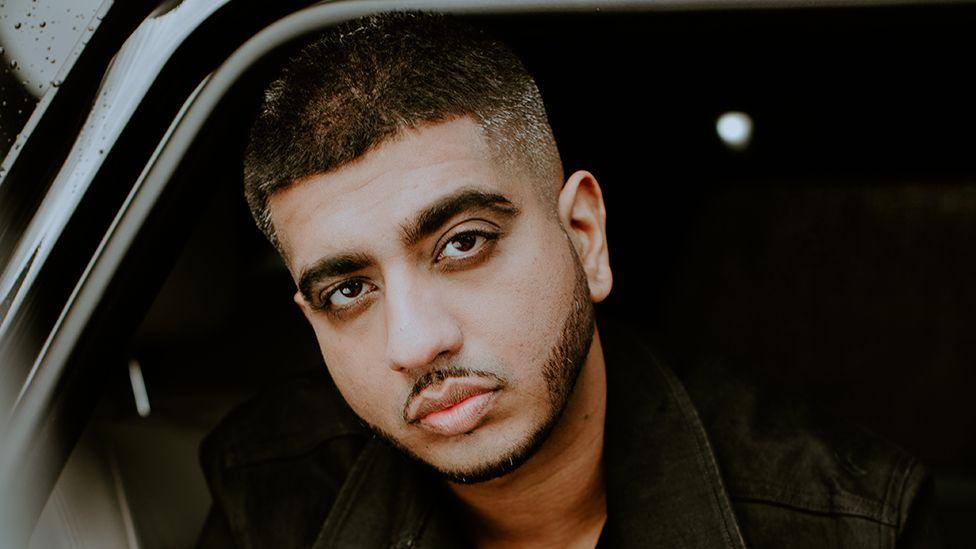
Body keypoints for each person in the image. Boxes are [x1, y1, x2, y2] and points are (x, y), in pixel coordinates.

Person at [196, 11, 940, 548]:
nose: (416, 342)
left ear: (584, 237)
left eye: (462, 243)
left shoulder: (847, 520)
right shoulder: (272, 493)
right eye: (348, 291)